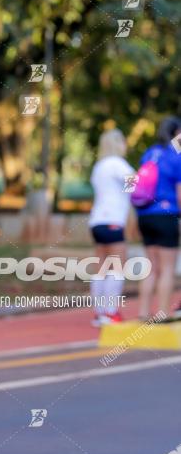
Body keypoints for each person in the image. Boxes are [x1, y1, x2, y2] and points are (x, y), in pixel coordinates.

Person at [135, 116, 181, 319]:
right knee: (167, 268)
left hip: (144, 215)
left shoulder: (148, 153)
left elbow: (135, 184)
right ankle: (162, 313)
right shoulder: (176, 156)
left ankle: (143, 313)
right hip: (166, 213)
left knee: (151, 268)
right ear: (176, 132)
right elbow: (180, 194)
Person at [88, 128, 134, 325]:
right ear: (117, 144)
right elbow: (135, 184)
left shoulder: (99, 167)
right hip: (113, 219)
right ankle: (110, 312)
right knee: (117, 266)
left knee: (101, 267)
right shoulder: (118, 164)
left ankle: (100, 313)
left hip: (97, 220)